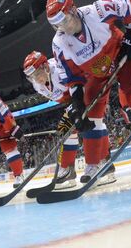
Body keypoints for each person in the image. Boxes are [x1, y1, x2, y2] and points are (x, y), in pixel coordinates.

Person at [46, 0, 131, 183]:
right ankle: (95, 164)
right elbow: (72, 76)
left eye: (64, 20)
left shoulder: (96, 11)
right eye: (56, 25)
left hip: (121, 56)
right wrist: (77, 102)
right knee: (89, 117)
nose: (62, 27)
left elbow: (125, 1)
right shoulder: (59, 43)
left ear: (73, 10)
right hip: (95, 74)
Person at [22, 51, 82, 189]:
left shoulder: (59, 69)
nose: (36, 80)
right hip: (71, 101)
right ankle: (68, 171)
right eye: (32, 77)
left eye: (37, 74)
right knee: (66, 130)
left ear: (46, 67)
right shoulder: (38, 86)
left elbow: (78, 83)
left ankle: (68, 170)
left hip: (81, 94)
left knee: (66, 128)